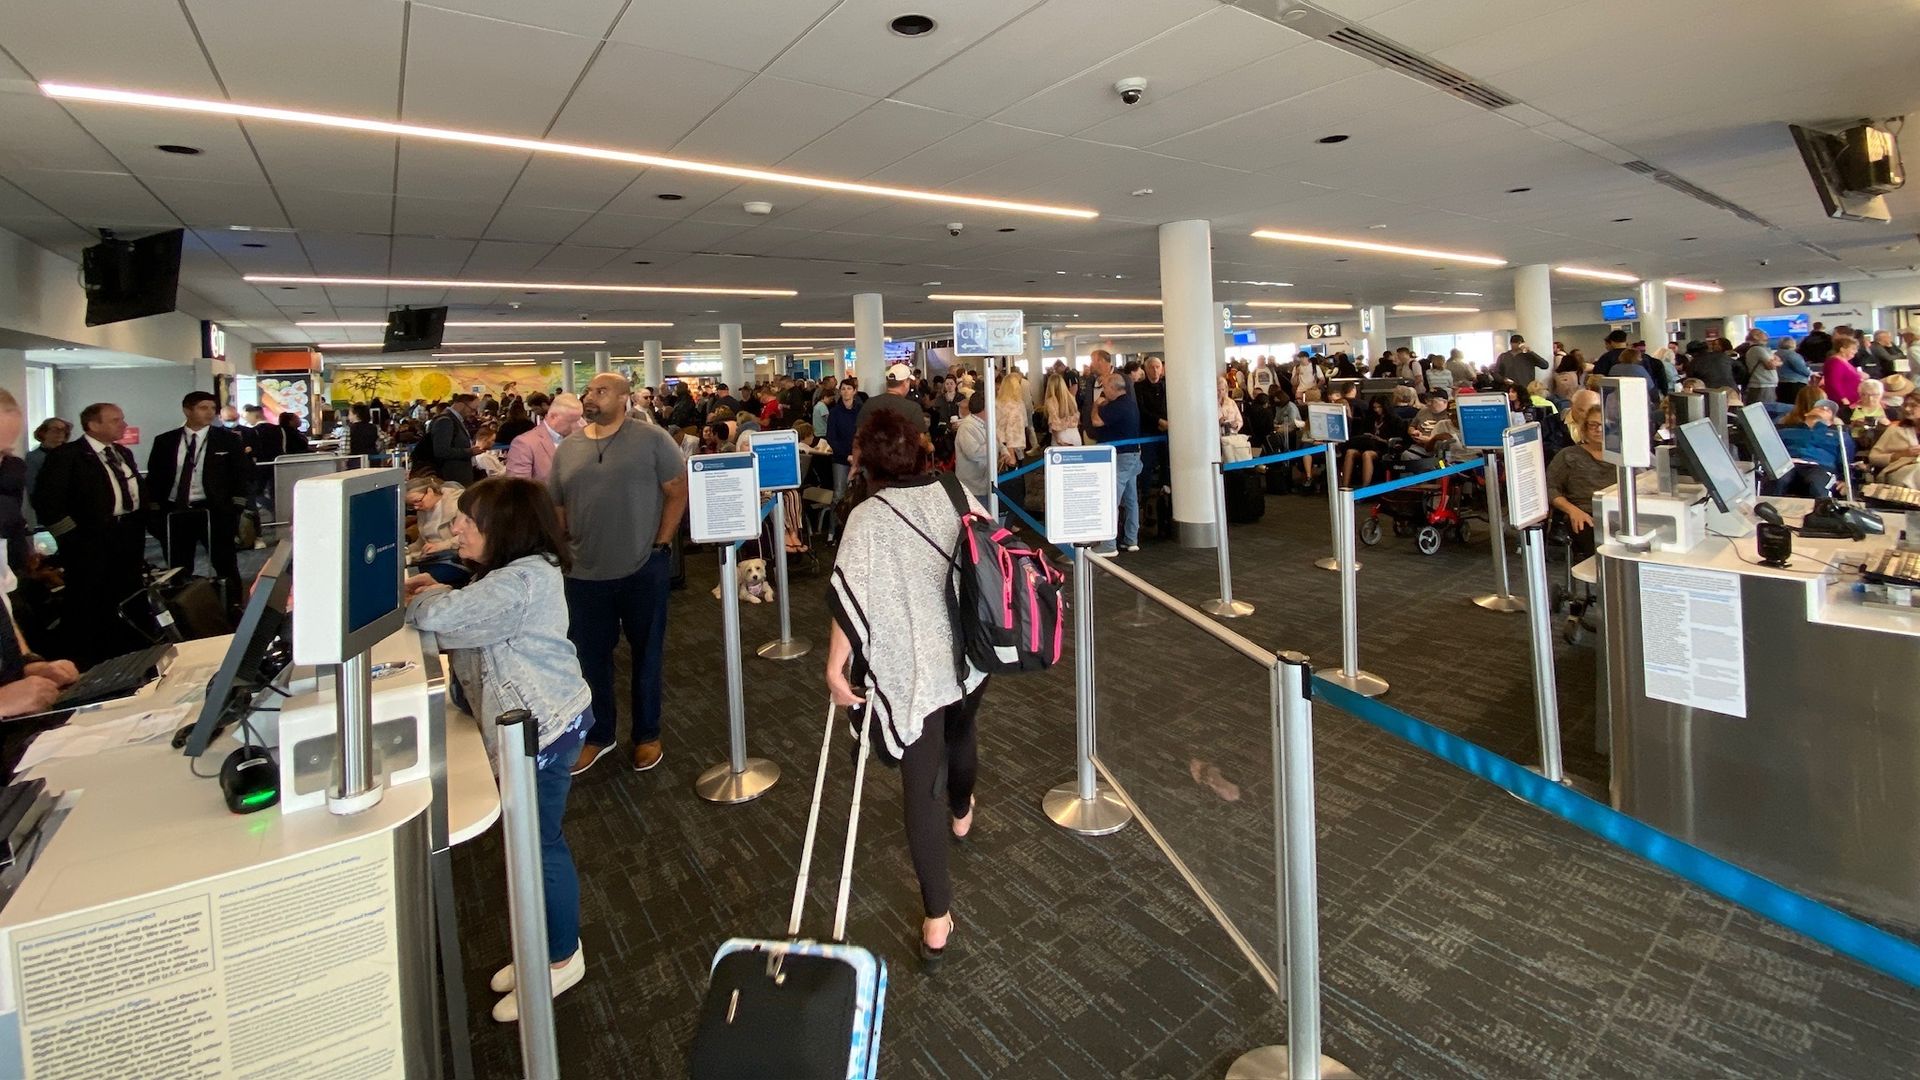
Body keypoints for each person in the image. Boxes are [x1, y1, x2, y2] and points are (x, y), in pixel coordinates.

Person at [403, 476, 590, 1022]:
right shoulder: (515, 573)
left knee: (538, 843)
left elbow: (441, 621)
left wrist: (427, 598)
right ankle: (545, 946)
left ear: (503, 528)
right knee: (529, 841)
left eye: (468, 521)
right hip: (542, 717)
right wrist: (440, 590)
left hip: (543, 727)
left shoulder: (521, 582)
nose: (454, 528)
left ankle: (560, 958)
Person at [824, 408, 987, 967]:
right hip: (969, 653)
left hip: (914, 667)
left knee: (921, 788)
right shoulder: (955, 492)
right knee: (963, 734)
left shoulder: (868, 518)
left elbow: (850, 598)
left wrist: (833, 668)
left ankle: (937, 919)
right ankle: (964, 810)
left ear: (868, 461)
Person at [551, 373, 687, 775]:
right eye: (589, 391)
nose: (591, 397)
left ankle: (647, 734)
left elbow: (677, 491)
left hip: (642, 567)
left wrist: (661, 547)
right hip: (583, 573)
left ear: (625, 398)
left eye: (601, 391)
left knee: (647, 653)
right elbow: (558, 505)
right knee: (590, 658)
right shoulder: (569, 449)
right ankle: (599, 734)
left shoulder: (652, 440)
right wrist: (563, 549)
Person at [32, 402, 151, 664]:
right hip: (89, 538)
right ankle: (91, 656)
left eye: (122, 419)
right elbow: (47, 501)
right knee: (90, 595)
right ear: (93, 425)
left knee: (128, 590)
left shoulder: (120, 452)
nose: (123, 424)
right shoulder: (68, 456)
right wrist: (72, 538)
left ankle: (130, 647)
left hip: (126, 533)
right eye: (115, 420)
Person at [142, 390, 249, 594]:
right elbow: (155, 478)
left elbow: (240, 475)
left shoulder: (228, 440)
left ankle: (234, 606)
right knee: (179, 566)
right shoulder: (165, 441)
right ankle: (183, 610)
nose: (210, 413)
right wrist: (154, 510)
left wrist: (236, 506)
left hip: (215, 510)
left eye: (212, 408)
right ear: (187, 410)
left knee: (225, 562)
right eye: (203, 408)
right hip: (176, 510)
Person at [1547, 406, 1612, 562]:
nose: (1599, 429)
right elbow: (1550, 488)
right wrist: (1572, 510)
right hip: (1585, 513)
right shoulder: (1569, 455)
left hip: (1619, 512)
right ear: (1585, 428)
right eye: (1593, 425)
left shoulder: (1624, 455)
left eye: (1604, 425)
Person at [1090, 373, 1143, 556]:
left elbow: (1096, 422)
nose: (1103, 391)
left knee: (1111, 499)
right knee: (1131, 499)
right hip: (1133, 455)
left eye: (1105, 387)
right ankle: (1131, 539)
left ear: (1113, 388)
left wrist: (1095, 406)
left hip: (1121, 458)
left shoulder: (1117, 406)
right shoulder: (1130, 403)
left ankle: (1108, 544)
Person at [506, 392, 581, 484]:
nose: (577, 426)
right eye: (572, 421)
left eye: (579, 420)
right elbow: (518, 490)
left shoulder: (579, 439)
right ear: (553, 417)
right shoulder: (524, 443)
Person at [857, 363, 929, 440]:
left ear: (888, 382)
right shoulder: (913, 408)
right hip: (902, 452)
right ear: (906, 382)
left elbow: (859, 434)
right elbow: (920, 439)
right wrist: (930, 447)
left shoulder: (869, 403)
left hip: (872, 451)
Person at [424, 393, 482, 483]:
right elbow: (441, 451)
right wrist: (469, 451)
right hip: (452, 478)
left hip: (458, 476)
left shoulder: (454, 420)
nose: (473, 413)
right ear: (461, 405)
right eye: (472, 409)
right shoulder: (445, 421)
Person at [1868, 394, 1920, 486]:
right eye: (1905, 405)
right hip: (1899, 471)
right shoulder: (1895, 429)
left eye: (1913, 405)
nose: (1907, 409)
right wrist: (1902, 454)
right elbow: (1873, 457)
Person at [952, 390, 993, 501]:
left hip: (984, 483)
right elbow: (973, 453)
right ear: (985, 408)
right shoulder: (966, 427)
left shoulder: (987, 423)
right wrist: (993, 446)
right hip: (973, 488)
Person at [824, 380, 860, 500]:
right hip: (840, 458)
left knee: (858, 493)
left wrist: (856, 454)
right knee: (839, 493)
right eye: (843, 389)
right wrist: (846, 455)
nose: (846, 391)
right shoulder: (834, 412)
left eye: (849, 388)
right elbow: (831, 437)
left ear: (854, 391)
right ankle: (836, 519)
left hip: (859, 457)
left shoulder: (861, 410)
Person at [1822, 337, 1866, 414]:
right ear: (1842, 349)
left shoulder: (1844, 361)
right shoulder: (1834, 362)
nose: (1856, 351)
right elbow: (1833, 383)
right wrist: (1843, 398)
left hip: (1853, 400)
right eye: (1853, 349)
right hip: (1843, 402)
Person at [1744, 340, 1782, 404]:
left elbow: (1776, 361)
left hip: (1764, 385)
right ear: (1755, 337)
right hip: (1762, 385)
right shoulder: (1758, 349)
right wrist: (1778, 363)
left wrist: (1776, 362)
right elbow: (1771, 365)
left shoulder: (1761, 350)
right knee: (1764, 408)